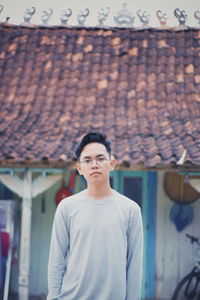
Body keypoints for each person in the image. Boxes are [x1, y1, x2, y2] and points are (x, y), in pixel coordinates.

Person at [47, 132, 143, 300]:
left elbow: (134, 265)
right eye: (87, 160)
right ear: (80, 168)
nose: (94, 165)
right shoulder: (67, 207)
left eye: (100, 158)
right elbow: (56, 260)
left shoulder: (130, 209)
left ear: (112, 164)